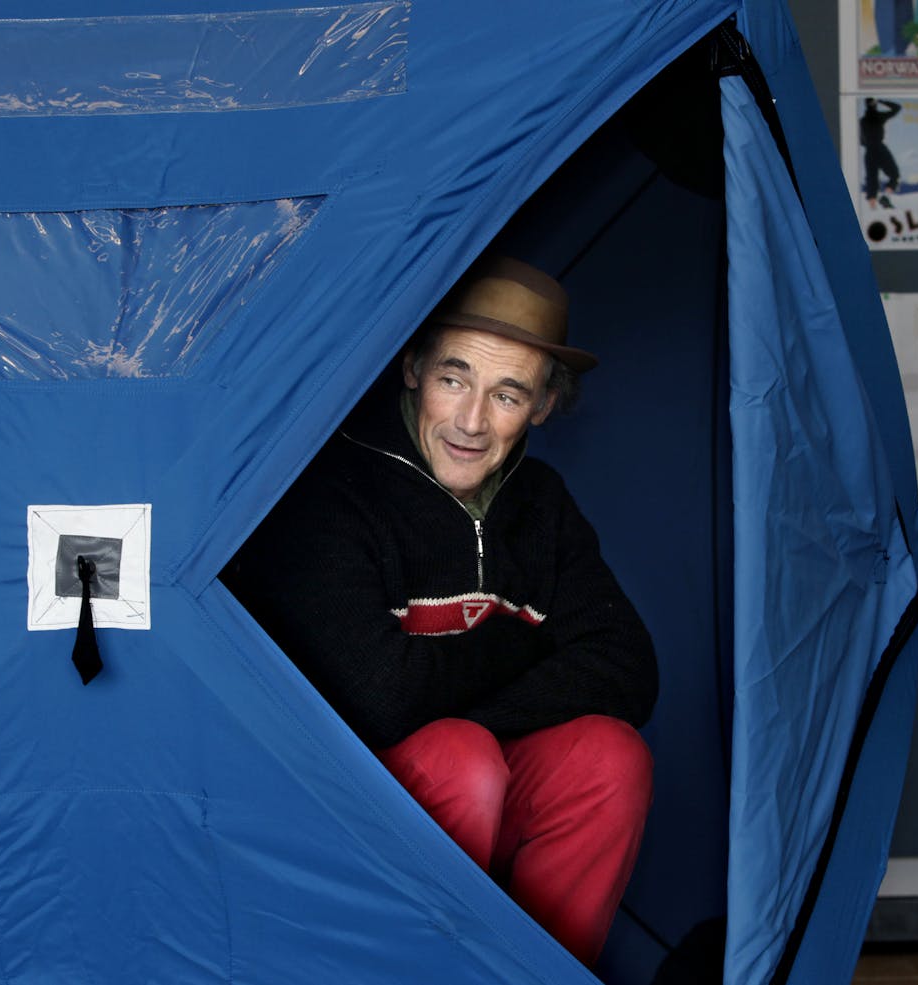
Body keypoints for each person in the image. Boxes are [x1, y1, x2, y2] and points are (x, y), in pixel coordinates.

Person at [224, 255, 658, 966]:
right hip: (337, 823)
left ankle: (542, 972)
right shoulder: (329, 491)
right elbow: (380, 697)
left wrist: (455, 695)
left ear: (543, 407)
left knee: (610, 757)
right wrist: (523, 640)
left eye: (508, 394)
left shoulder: (541, 503)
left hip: (488, 788)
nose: (472, 420)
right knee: (460, 756)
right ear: (413, 368)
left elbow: (629, 668)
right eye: (454, 377)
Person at [860, 97, 903, 208]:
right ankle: (886, 197)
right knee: (894, 174)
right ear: (874, 104)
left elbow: (861, 140)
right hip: (879, 147)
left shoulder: (862, 121)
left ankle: (872, 208)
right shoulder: (879, 117)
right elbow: (897, 108)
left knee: (872, 178)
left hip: (869, 150)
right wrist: (882, 101)